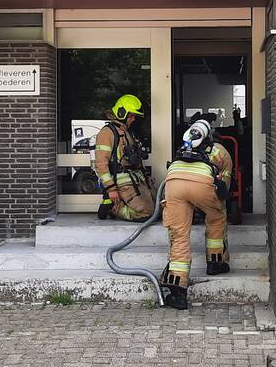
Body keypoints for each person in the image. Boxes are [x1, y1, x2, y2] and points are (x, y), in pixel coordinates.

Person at [159, 119, 233, 310]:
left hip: (174, 183)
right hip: (203, 184)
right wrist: (219, 201)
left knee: (179, 234)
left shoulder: (183, 147)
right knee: (216, 218)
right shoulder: (218, 150)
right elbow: (224, 183)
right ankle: (215, 263)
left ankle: (178, 292)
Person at [93, 94, 154, 222]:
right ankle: (114, 208)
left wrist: (146, 175)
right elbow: (100, 164)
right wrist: (111, 189)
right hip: (121, 180)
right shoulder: (107, 133)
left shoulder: (128, 132)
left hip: (136, 177)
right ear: (122, 113)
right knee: (145, 213)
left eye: (135, 116)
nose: (133, 119)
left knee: (156, 209)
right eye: (131, 116)